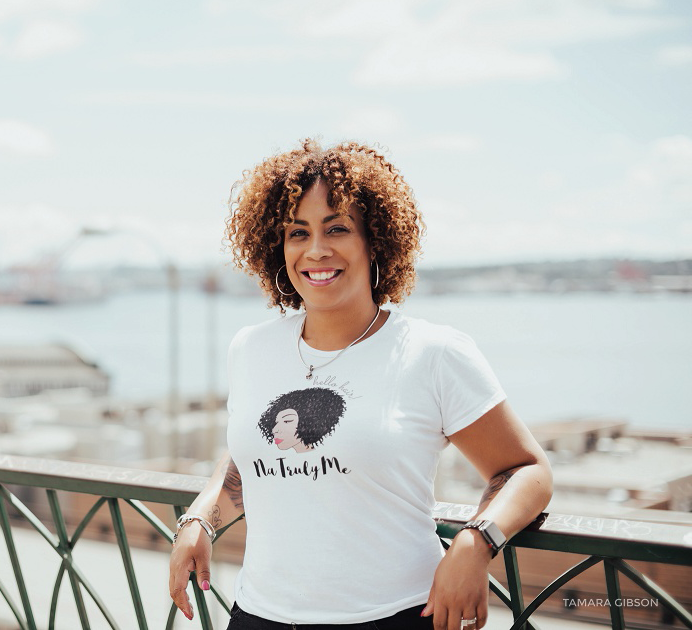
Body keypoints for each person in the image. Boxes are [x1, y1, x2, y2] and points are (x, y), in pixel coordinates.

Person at [168, 139, 553, 630]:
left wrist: (476, 541)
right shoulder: (251, 348)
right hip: (258, 615)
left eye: (338, 229)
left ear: (376, 240)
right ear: (276, 246)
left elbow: (528, 470)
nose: (316, 250)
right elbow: (250, 454)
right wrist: (202, 516)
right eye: (297, 232)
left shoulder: (433, 352)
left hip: (393, 616)